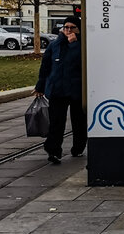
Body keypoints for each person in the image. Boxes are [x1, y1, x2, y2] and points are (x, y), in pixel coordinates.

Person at [35, 17, 86, 164]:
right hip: (58, 89)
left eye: (72, 27)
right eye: (66, 27)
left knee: (79, 122)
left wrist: (74, 44)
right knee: (56, 122)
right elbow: (45, 66)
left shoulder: (82, 45)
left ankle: (78, 147)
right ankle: (53, 150)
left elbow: (81, 62)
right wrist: (40, 86)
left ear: (78, 29)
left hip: (77, 90)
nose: (68, 30)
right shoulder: (55, 44)